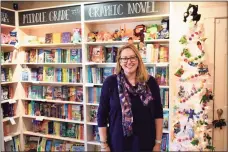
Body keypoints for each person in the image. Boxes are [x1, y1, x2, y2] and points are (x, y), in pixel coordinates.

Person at [97, 44, 163, 152]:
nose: (129, 61)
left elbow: (158, 113)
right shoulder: (110, 82)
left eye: (132, 57)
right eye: (124, 58)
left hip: (146, 143)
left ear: (138, 59)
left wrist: (158, 143)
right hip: (118, 143)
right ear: (119, 61)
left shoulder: (150, 82)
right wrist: (104, 144)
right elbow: (101, 114)